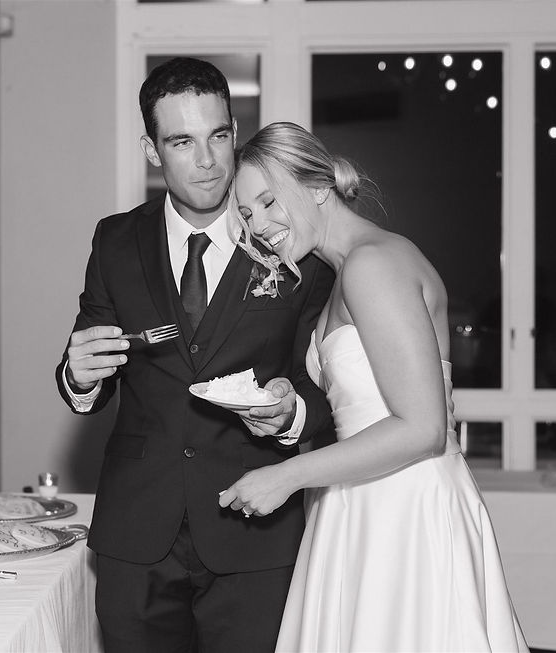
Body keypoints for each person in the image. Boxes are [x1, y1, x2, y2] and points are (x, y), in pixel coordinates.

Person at [55, 59, 334, 653]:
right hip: (137, 533)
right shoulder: (115, 241)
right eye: (182, 141)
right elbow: (91, 368)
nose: (207, 161)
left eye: (219, 136)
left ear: (235, 130)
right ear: (152, 151)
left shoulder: (292, 242)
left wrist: (291, 417)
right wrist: (77, 376)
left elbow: (326, 392)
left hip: (255, 528)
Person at [218, 122, 528, 652]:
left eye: (269, 202)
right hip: (360, 501)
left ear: (318, 187)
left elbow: (424, 428)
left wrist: (286, 477)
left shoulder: (372, 264)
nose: (260, 225)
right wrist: (288, 398)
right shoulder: (341, 271)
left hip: (403, 511)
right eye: (247, 214)